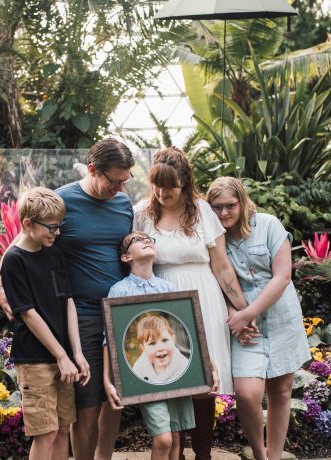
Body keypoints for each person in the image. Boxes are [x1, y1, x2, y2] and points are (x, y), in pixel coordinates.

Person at [0, 138, 135, 460]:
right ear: (92, 170)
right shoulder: (62, 201)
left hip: (118, 313)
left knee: (116, 400)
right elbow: (20, 243)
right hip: (81, 315)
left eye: (124, 180)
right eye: (113, 180)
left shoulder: (123, 204)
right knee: (85, 406)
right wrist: (1, 285)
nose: (119, 187)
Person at [133, 147, 249, 460]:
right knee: (171, 378)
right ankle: (176, 453)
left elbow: (222, 265)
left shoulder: (202, 212)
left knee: (202, 383)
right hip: (163, 301)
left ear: (184, 182)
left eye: (168, 186)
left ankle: (203, 453)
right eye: (156, 184)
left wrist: (241, 308)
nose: (161, 192)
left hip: (203, 298)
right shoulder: (142, 211)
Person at [206, 177, 311, 460]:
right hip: (244, 327)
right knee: (247, 393)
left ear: (242, 202)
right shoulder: (214, 239)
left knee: (281, 392)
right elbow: (217, 282)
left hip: (280, 317)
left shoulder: (268, 225)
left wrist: (248, 313)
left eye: (230, 206)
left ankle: (274, 455)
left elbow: (283, 276)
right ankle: (259, 454)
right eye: (217, 208)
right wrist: (234, 317)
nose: (224, 213)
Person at [104, 230, 219, 460]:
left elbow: (191, 331)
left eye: (149, 239)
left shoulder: (167, 288)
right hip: (147, 382)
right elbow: (110, 340)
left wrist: (210, 368)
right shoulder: (120, 290)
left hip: (176, 376)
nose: (146, 241)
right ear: (126, 257)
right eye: (138, 240)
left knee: (176, 440)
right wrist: (108, 381)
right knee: (164, 439)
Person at [0, 187, 90, 460]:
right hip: (36, 359)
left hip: (63, 356)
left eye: (59, 226)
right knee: (46, 432)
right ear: (27, 224)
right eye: (51, 228)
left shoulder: (54, 252)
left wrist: (76, 353)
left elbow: (68, 302)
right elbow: (27, 313)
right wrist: (62, 356)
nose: (56, 233)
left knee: (63, 428)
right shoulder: (14, 261)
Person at [132, 314, 189, 384]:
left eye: (165, 340)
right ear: (143, 348)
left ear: (173, 339)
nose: (160, 348)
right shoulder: (139, 368)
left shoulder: (184, 366)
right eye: (152, 343)